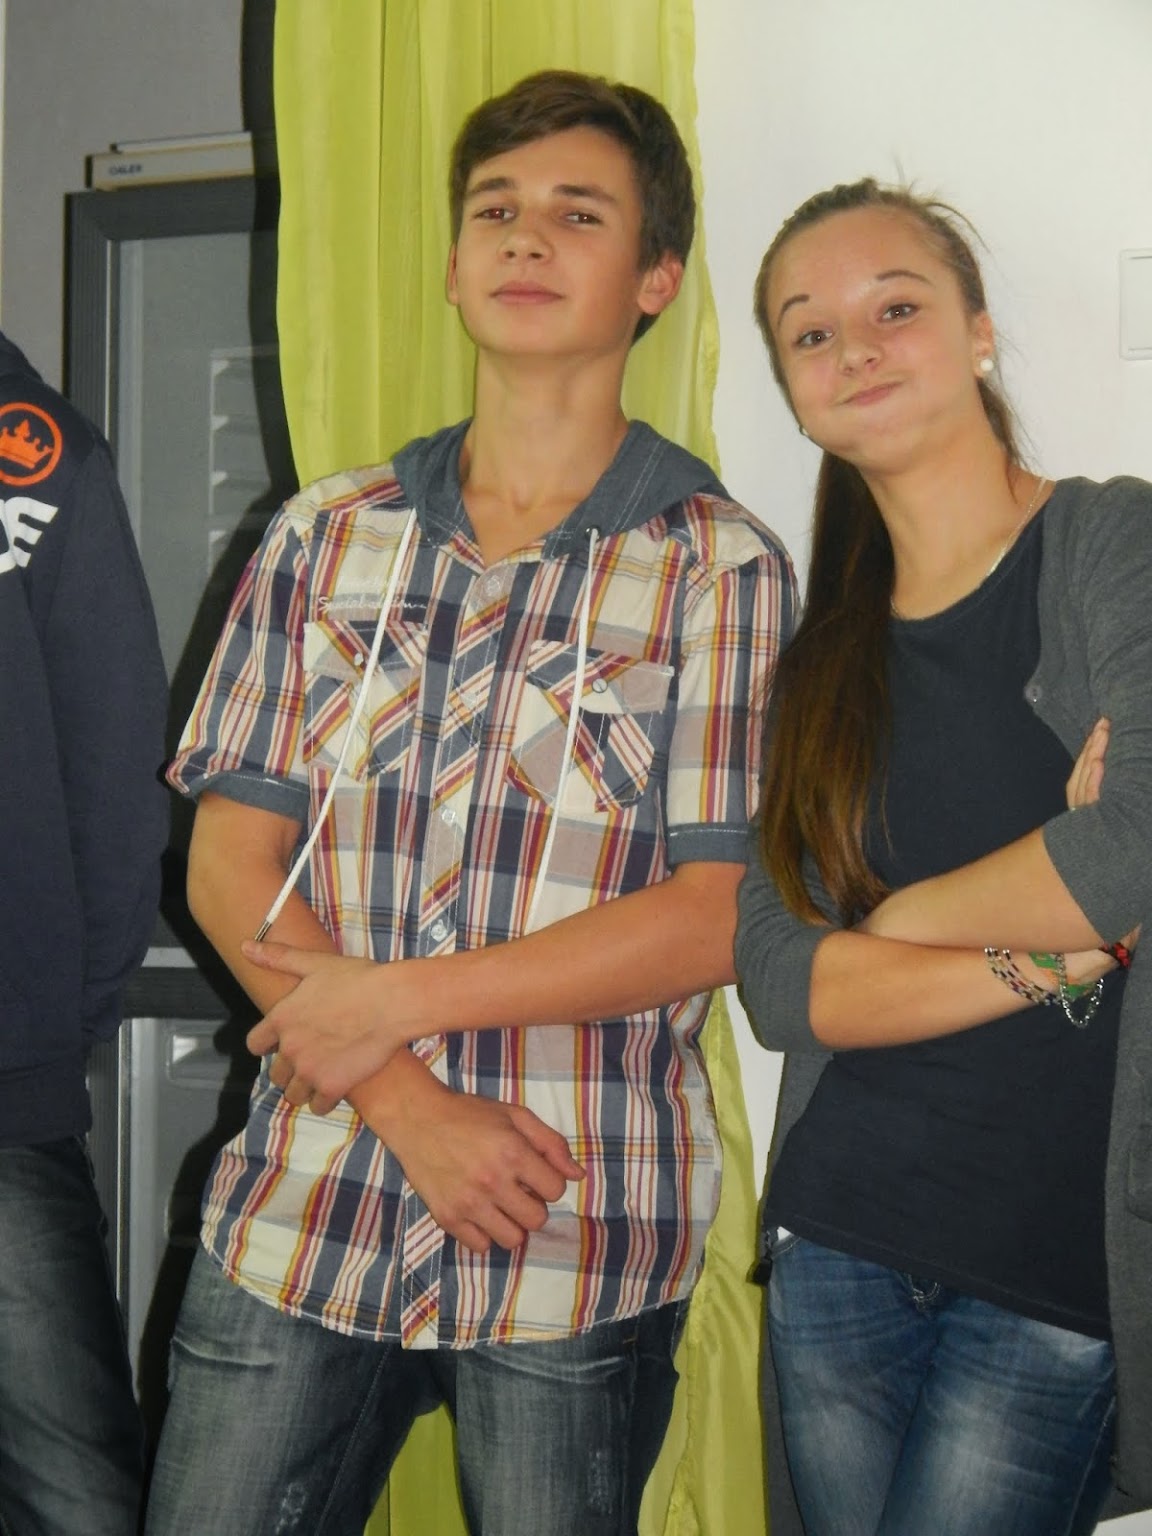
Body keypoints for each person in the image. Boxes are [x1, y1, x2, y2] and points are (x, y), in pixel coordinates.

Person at [146, 70, 795, 1536]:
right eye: (495, 211)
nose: (525, 238)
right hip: (307, 1196)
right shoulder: (326, 536)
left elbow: (713, 916)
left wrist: (392, 1002)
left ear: (656, 278)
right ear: (451, 266)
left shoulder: (719, 565)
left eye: (579, 214)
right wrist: (405, 1098)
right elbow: (229, 862)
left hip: (574, 1216)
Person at [734, 175, 1152, 1536]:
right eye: (811, 332)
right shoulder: (816, 665)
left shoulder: (1113, 542)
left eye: (895, 309)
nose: (853, 350)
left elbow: (1136, 844)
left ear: (978, 332)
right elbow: (782, 988)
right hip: (839, 1239)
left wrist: (892, 928)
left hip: (1053, 1262)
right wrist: (1061, 949)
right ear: (795, 392)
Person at [0, 330, 168, 1532]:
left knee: (78, 1501)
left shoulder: (33, 452)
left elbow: (118, 763)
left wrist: (56, 1022)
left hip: (3, 1085)